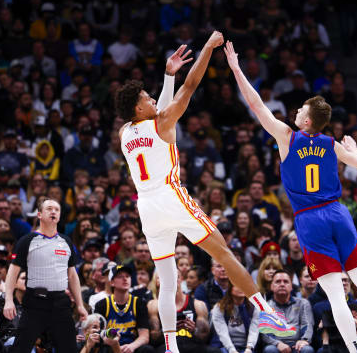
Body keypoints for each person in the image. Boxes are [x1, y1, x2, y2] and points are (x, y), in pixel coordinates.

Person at [115, 33, 294, 353]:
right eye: (146, 97)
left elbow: (163, 107)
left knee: (167, 281)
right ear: (137, 107)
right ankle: (266, 314)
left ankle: (170, 346)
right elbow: (190, 88)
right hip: (170, 197)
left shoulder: (125, 132)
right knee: (223, 251)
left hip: (147, 209)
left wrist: (169, 74)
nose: (152, 98)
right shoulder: (161, 122)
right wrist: (209, 49)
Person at [224, 41, 357, 353]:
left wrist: (237, 69)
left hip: (310, 220)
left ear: (307, 121)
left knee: (336, 295)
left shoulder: (286, 137)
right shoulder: (331, 143)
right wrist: (356, 151)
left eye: (300, 110)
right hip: (337, 213)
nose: (295, 111)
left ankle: (354, 350)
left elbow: (257, 106)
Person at [2, 198, 88, 353]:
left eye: (57, 209)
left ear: (60, 216)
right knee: (21, 348)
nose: (53, 211)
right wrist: (9, 299)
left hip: (61, 302)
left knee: (69, 348)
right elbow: (12, 272)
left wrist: (80, 305)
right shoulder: (27, 241)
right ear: (39, 215)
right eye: (49, 208)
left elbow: (73, 275)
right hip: (35, 302)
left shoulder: (66, 242)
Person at [93, 265, 152, 353]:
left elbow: (144, 336)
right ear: (112, 282)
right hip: (110, 346)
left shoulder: (139, 303)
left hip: (132, 347)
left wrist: (132, 346)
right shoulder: (101, 305)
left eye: (127, 276)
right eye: (120, 276)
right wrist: (114, 345)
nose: (125, 279)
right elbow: (97, 333)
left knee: (147, 349)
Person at [261, 270, 314, 353]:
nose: (282, 284)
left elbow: (307, 325)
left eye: (286, 282)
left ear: (291, 286)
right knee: (270, 350)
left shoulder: (303, 303)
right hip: (275, 346)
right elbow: (265, 332)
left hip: (297, 345)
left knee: (307, 350)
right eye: (278, 282)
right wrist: (277, 343)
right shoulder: (265, 307)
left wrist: (304, 340)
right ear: (271, 286)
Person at [210, 283, 259, 353]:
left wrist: (249, 348)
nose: (241, 288)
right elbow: (222, 332)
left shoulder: (254, 307)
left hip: (246, 347)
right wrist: (232, 350)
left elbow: (254, 330)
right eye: (237, 286)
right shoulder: (219, 308)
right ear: (230, 288)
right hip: (224, 346)